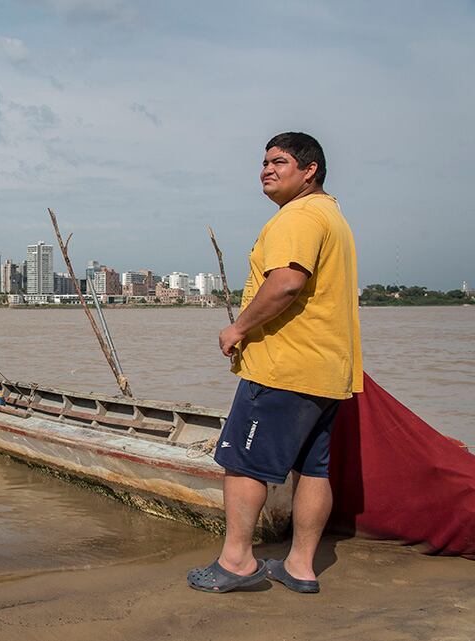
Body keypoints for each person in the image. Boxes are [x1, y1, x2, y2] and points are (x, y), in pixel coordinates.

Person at [187, 132, 362, 594]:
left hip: (284, 368)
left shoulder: (298, 216)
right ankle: (301, 566)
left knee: (243, 464)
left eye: (279, 161)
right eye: (264, 161)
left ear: (310, 171)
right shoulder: (331, 216)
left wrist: (238, 328)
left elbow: (286, 282)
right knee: (314, 469)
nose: (266, 169)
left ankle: (237, 562)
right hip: (327, 373)